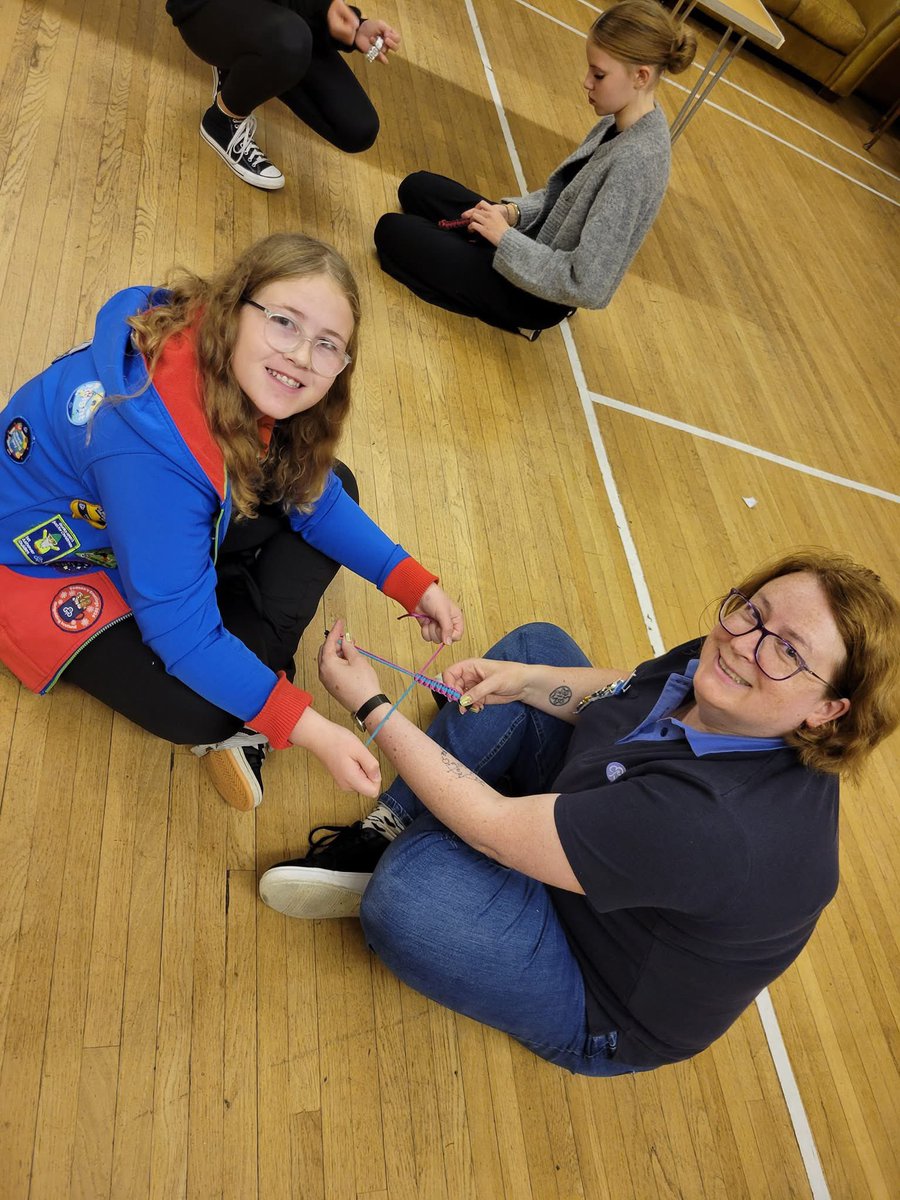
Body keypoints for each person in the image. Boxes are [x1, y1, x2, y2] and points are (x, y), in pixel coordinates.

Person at [258, 551, 900, 1075]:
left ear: (829, 710)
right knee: (537, 648)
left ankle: (421, 842)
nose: (744, 645)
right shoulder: (722, 666)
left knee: (412, 900)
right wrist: (525, 679)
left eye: (788, 651)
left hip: (595, 989)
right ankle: (394, 826)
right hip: (618, 833)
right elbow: (630, 691)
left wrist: (374, 709)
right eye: (753, 612)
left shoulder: (717, 824)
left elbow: (496, 829)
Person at [0, 232, 462, 812]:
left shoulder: (229, 360)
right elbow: (183, 638)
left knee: (330, 482)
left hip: (144, 522)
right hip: (46, 565)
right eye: (284, 322)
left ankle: (244, 656)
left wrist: (413, 583)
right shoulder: (153, 448)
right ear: (235, 307)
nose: (300, 356)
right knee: (205, 711)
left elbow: (314, 494)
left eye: (327, 345)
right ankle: (247, 672)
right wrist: (309, 726)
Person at [373, 0, 696, 339]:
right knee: (417, 187)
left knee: (391, 231)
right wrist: (511, 213)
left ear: (641, 76)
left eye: (598, 74)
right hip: (532, 244)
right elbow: (561, 198)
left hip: (535, 294)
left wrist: (503, 239)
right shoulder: (621, 120)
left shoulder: (635, 164)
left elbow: (588, 284)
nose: (586, 81)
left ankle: (502, 304)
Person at [166, 0, 400, 189]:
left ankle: (248, 64)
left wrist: (352, 26)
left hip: (280, 16)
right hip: (205, 8)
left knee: (357, 128)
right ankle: (222, 120)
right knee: (291, 40)